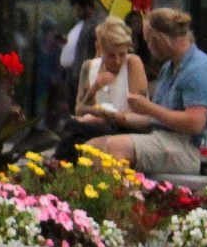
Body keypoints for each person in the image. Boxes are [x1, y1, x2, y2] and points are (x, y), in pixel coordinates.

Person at [89, 6, 207, 176]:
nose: (149, 48)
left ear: (161, 39)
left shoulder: (198, 69)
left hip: (194, 151)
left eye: (149, 41)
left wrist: (148, 107)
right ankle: (94, 198)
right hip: (165, 139)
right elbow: (154, 120)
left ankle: (119, 200)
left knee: (117, 147)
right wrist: (117, 117)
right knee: (93, 147)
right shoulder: (169, 68)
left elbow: (195, 123)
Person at [56, 17, 149, 155]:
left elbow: (141, 113)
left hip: (125, 129)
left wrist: (110, 116)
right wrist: (95, 87)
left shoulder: (132, 64)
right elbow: (79, 109)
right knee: (72, 133)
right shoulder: (89, 66)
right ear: (99, 48)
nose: (117, 61)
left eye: (122, 54)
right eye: (111, 55)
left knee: (73, 137)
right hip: (97, 127)